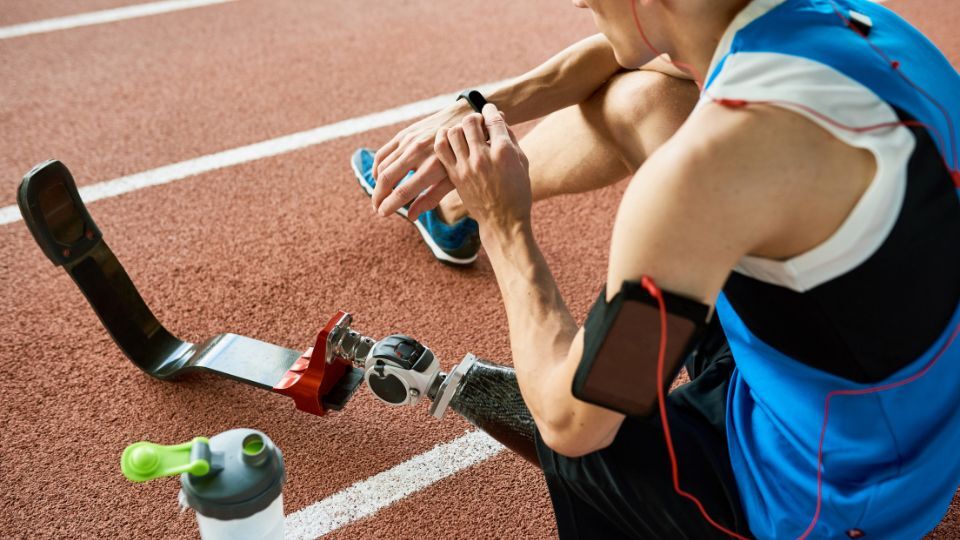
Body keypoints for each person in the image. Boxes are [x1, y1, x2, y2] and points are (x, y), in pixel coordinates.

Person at [352, 0, 960, 538]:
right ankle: (451, 204)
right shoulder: (846, 22)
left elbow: (574, 423)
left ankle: (474, 210)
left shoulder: (710, 169)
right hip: (891, 397)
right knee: (647, 99)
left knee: (573, 416)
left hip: (836, 500)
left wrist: (504, 225)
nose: (574, 0)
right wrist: (475, 109)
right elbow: (622, 63)